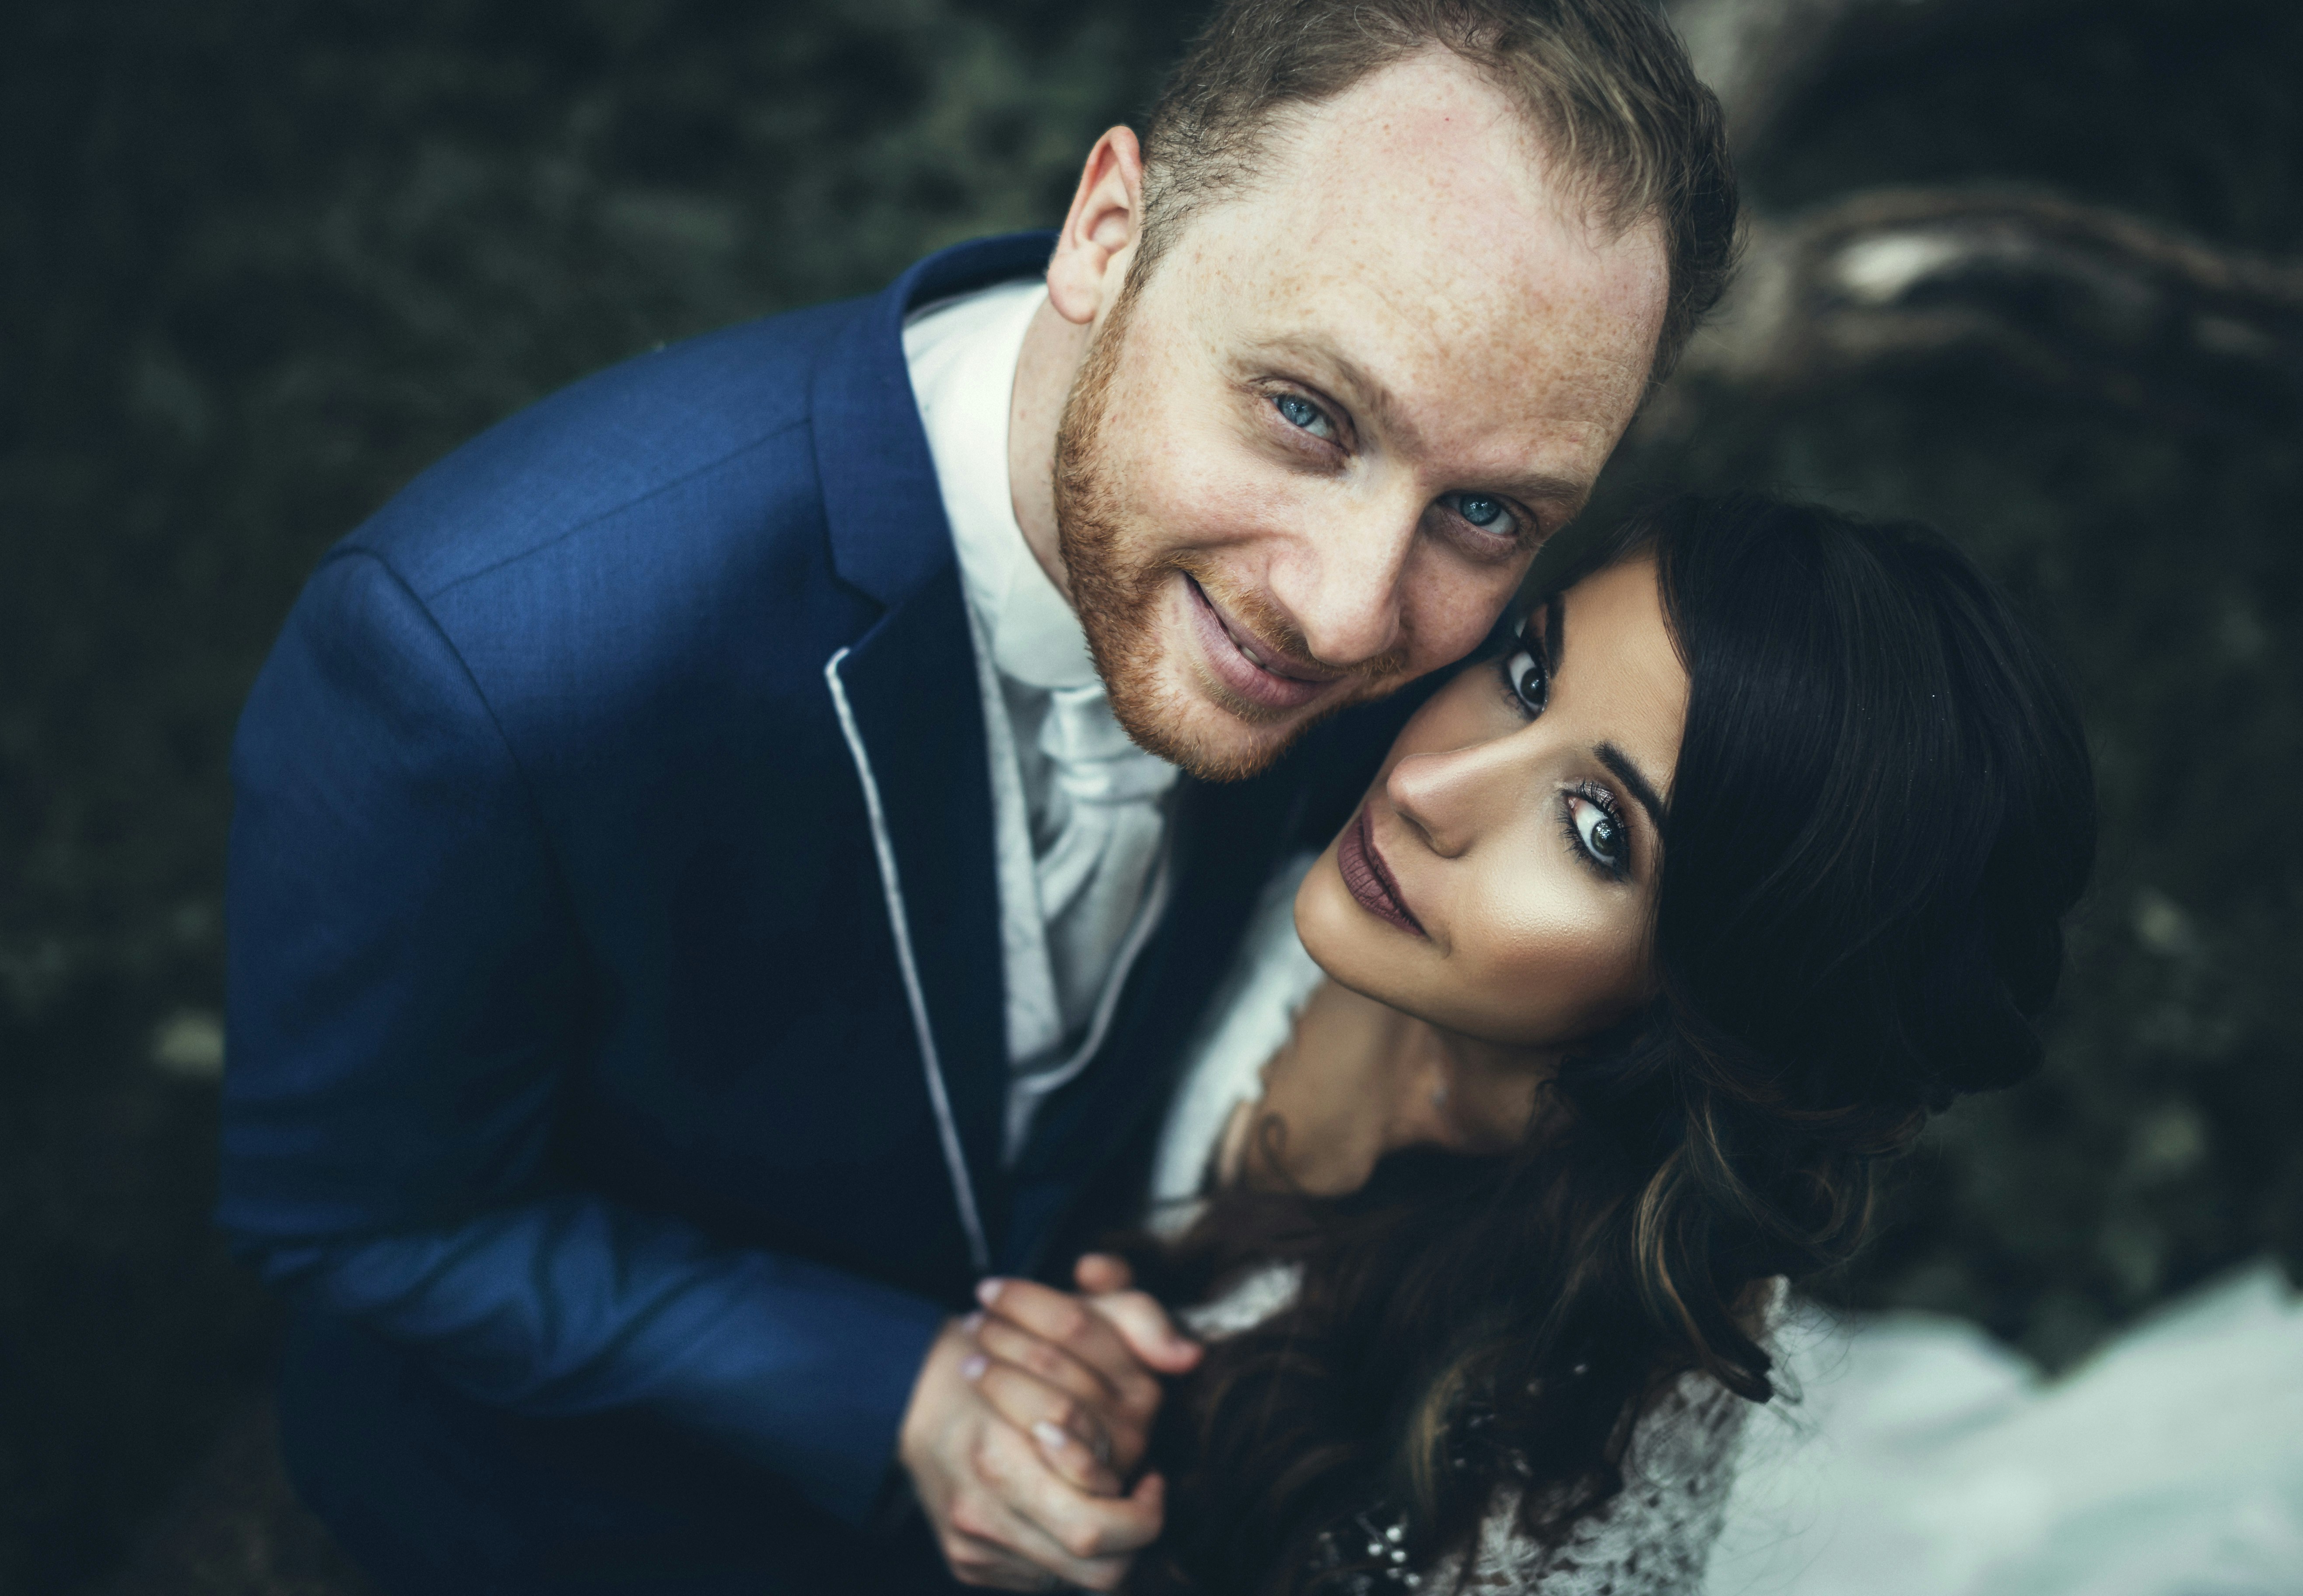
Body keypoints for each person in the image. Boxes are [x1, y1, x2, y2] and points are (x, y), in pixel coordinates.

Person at [216, 1, 1735, 1589]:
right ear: (1107, 234)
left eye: (1489, 509)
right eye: (1306, 413)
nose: (1352, 616)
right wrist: (900, 1388)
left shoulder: (1435, 671)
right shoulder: (483, 656)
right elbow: (354, 1221)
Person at [957, 493, 2097, 1593]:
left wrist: (1088, 1507)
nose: (1427, 784)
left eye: (1597, 828)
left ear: (1710, 997)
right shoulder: (1308, 787)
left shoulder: (1577, 1405)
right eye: (1528, 676)